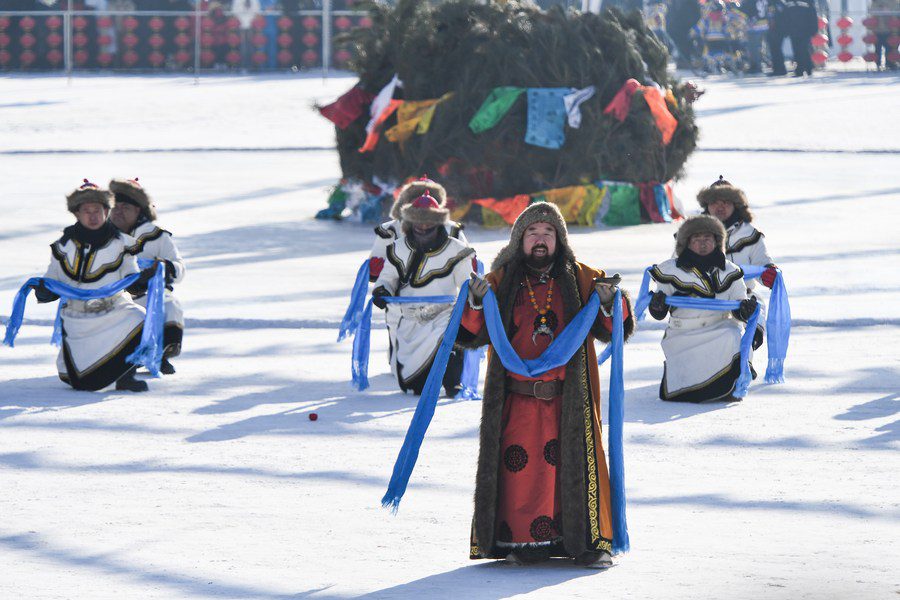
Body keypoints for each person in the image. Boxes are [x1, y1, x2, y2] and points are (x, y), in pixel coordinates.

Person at [458, 202, 634, 568]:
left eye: (548, 233)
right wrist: (475, 301)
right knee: (521, 474)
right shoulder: (502, 281)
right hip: (516, 403)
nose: (540, 240)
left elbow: (613, 326)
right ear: (519, 240)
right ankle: (521, 544)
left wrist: (608, 302)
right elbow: (469, 333)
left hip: (568, 400)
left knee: (575, 469)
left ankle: (588, 543)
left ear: (560, 239)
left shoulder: (583, 277)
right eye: (532, 233)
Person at [34, 180, 156, 392]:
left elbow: (131, 277)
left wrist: (141, 280)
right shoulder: (63, 246)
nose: (92, 216)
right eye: (86, 211)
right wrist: (44, 291)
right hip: (76, 317)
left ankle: (126, 377)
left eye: (97, 210)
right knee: (82, 384)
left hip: (113, 311)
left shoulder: (123, 244)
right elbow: (52, 279)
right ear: (77, 214)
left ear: (106, 211)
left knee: (139, 317)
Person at [371, 192, 476, 397]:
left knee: (451, 332)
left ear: (438, 223)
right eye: (418, 224)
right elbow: (387, 277)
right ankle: (421, 378)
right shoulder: (397, 248)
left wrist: (473, 297)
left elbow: (467, 283)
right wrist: (382, 290)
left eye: (429, 223)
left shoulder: (457, 250)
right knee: (415, 387)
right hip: (409, 318)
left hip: (444, 313)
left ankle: (452, 380)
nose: (423, 228)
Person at [648, 215, 758, 403]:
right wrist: (657, 305)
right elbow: (659, 312)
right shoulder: (670, 270)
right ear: (686, 243)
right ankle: (688, 392)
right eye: (696, 239)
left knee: (733, 335)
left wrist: (745, 309)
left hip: (720, 327)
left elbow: (738, 303)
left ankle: (728, 389)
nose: (702, 244)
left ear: (717, 242)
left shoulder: (731, 271)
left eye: (707, 239)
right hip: (683, 332)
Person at [109, 177, 185, 375]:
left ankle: (161, 354)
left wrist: (162, 268)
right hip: (113, 296)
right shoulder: (101, 236)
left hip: (150, 294)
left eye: (125, 206)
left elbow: (179, 268)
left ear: (138, 210)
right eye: (114, 206)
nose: (118, 211)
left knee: (169, 305)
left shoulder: (157, 236)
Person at [699, 175, 778, 344]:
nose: (720, 206)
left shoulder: (750, 234)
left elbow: (761, 262)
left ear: (735, 204)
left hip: (743, 302)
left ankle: (744, 366)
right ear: (707, 205)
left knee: (742, 342)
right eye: (715, 201)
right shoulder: (692, 234)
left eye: (726, 201)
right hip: (703, 304)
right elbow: (678, 267)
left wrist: (768, 274)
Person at [369, 176, 467, 284]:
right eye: (416, 198)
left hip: (443, 296)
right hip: (399, 298)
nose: (423, 202)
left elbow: (466, 272)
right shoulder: (389, 230)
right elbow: (377, 274)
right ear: (406, 202)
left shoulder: (453, 230)